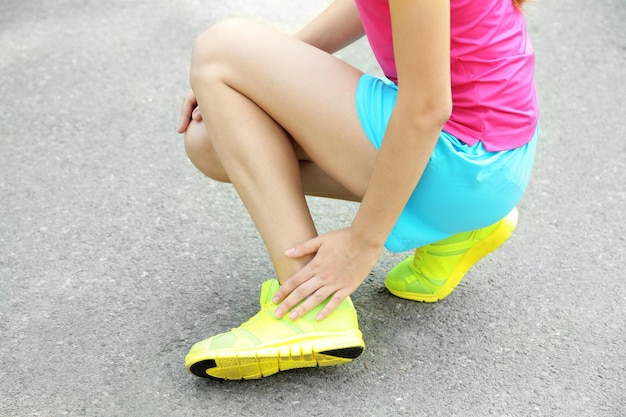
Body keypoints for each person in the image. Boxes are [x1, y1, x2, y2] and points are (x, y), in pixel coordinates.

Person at [177, 0, 538, 380]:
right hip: (492, 165)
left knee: (220, 47)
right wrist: (255, 75)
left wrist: (361, 244)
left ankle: (309, 309)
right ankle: (459, 230)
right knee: (211, 141)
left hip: (462, 163)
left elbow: (426, 108)